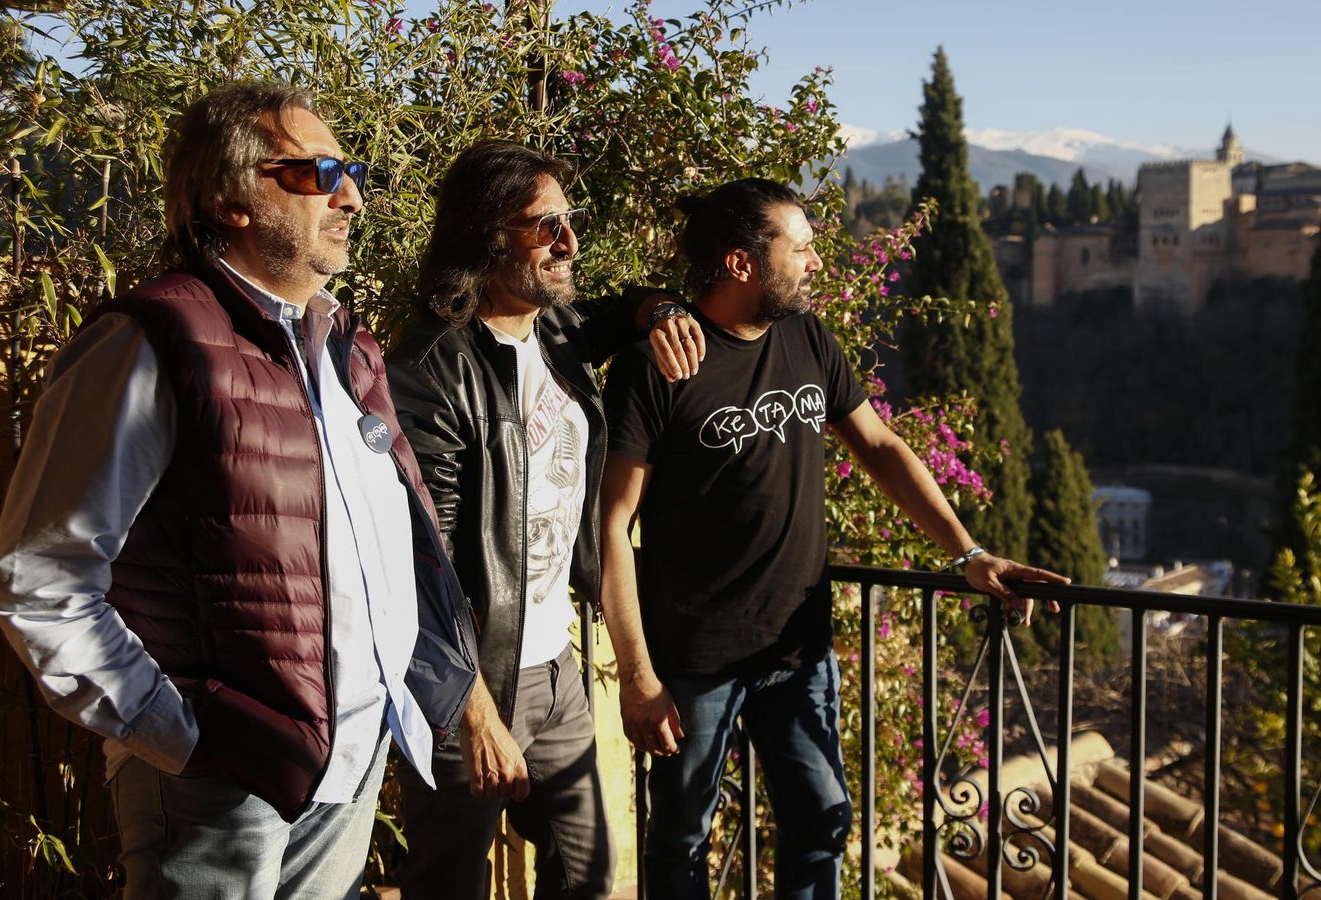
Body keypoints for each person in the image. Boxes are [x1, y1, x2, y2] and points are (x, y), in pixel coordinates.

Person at [0, 81, 475, 898]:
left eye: (351, 170)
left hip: (347, 760)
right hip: (222, 781)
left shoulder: (345, 345)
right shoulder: (153, 342)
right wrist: (183, 737)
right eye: (318, 172)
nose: (349, 194)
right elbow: (37, 581)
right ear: (229, 198)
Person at [598, 177, 1069, 899]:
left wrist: (968, 553)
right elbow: (612, 523)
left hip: (796, 648)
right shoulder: (657, 368)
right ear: (741, 263)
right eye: (803, 248)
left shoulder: (807, 336)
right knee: (681, 839)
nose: (817, 262)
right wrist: (638, 675)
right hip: (694, 660)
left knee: (822, 817)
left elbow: (880, 448)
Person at [386, 140, 704, 900]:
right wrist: (471, 708)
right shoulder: (433, 369)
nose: (569, 242)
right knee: (446, 883)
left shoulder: (556, 329)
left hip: (556, 668)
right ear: (487, 236)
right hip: (471, 683)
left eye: (571, 220)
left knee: (589, 871)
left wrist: (659, 308)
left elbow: (624, 302)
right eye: (545, 226)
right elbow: (424, 564)